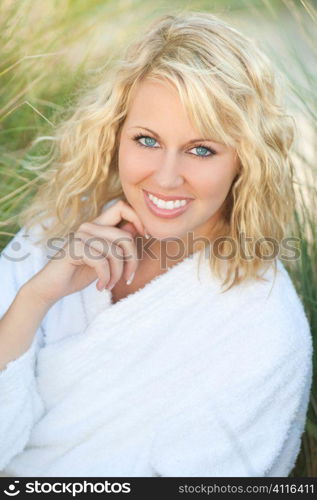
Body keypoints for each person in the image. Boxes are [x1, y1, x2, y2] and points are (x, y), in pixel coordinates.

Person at [0, 11, 313, 478]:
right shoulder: (59, 227)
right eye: (146, 140)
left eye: (201, 149)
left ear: (245, 160)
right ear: (115, 134)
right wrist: (34, 298)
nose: (166, 178)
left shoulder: (263, 325)